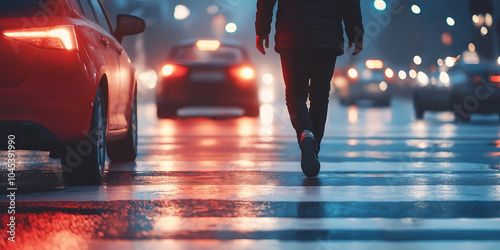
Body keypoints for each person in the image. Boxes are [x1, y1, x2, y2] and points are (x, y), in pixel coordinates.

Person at [255, 0, 364, 177]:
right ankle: (313, 147)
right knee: (320, 96)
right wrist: (356, 35)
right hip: (326, 38)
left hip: (292, 36)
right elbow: (350, 3)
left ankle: (306, 133)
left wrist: (262, 30)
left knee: (295, 94)